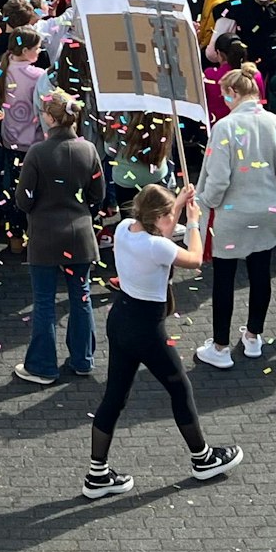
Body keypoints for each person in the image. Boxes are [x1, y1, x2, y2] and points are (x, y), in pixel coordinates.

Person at [83, 184, 244, 498]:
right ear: (158, 216)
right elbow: (195, 258)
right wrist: (194, 221)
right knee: (179, 388)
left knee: (114, 398)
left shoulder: (124, 229)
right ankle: (203, 458)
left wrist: (180, 204)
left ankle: (97, 474)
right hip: (147, 329)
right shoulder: (159, 248)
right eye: (170, 215)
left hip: (120, 320)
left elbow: (160, 231)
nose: (175, 219)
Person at [192, 68, 276, 370]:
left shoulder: (225, 127)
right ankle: (254, 336)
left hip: (231, 216)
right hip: (267, 211)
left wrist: (203, 203)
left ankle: (220, 346)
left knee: (224, 280)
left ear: (234, 92)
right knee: (260, 274)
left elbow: (218, 180)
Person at [13, 89, 104, 385]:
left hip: (44, 237)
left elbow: (23, 200)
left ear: (50, 118)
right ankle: (82, 359)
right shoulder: (88, 149)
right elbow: (98, 195)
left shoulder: (37, 153)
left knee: (44, 301)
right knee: (81, 297)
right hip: (80, 236)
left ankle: (42, 366)